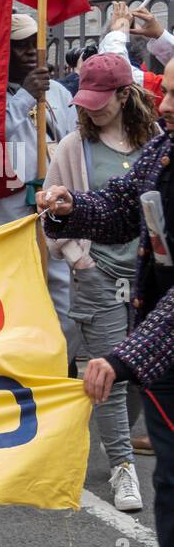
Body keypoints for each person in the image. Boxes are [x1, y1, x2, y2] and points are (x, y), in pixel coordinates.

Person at [38, 56, 174, 547]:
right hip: (156, 340)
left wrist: (123, 356)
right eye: (165, 95)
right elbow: (123, 207)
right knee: (169, 481)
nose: (164, 104)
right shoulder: (164, 150)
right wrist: (69, 210)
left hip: (157, 333)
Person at [44, 52, 160, 512]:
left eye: (100, 100)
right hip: (99, 275)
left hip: (148, 276)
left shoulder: (156, 142)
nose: (91, 109)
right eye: (85, 101)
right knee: (106, 371)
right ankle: (123, 466)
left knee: (138, 370)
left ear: (126, 95)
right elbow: (53, 208)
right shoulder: (73, 146)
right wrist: (77, 257)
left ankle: (119, 443)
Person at [0, 11, 77, 343]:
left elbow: (72, 140)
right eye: (21, 45)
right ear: (4, 49)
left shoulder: (57, 92)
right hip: (5, 216)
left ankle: (63, 362)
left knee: (64, 295)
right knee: (8, 294)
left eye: (36, 43)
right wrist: (24, 98)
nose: (32, 52)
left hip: (52, 212)